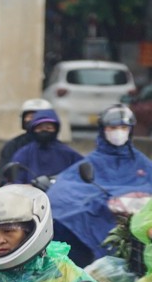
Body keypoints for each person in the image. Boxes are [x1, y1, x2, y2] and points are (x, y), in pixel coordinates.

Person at [47, 104, 152, 266]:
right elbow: (63, 191)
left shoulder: (141, 163)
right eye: (113, 127)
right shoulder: (91, 163)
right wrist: (99, 202)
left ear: (130, 130)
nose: (119, 132)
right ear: (103, 129)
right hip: (100, 239)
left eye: (123, 127)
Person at [8, 109, 83, 185]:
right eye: (39, 128)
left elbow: (80, 179)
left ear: (56, 129)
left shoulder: (69, 154)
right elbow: (16, 182)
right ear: (33, 129)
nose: (44, 131)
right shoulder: (23, 154)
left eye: (48, 128)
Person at [0, 98, 53, 178]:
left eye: (40, 116)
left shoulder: (63, 151)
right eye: (30, 116)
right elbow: (5, 177)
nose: (35, 120)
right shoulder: (12, 146)